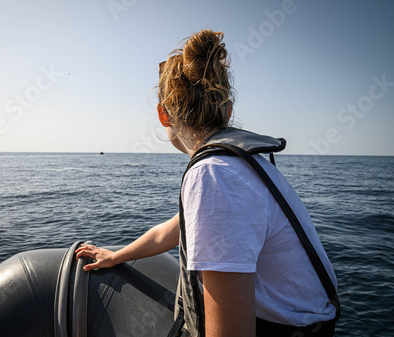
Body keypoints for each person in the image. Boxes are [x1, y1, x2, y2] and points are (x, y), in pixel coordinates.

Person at [76, 29, 338, 337]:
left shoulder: (215, 175)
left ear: (163, 114)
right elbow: (171, 231)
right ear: (228, 112)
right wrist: (116, 256)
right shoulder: (239, 163)